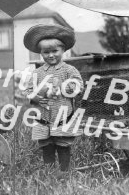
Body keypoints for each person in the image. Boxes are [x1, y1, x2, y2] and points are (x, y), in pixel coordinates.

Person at [23, 24, 84, 175]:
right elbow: (28, 91)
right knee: (46, 145)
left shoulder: (69, 70)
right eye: (46, 52)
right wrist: (36, 98)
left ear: (63, 50)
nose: (51, 55)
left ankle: (64, 171)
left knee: (63, 145)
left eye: (55, 51)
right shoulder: (37, 72)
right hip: (43, 118)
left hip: (63, 117)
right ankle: (49, 171)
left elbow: (79, 87)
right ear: (41, 53)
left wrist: (64, 87)